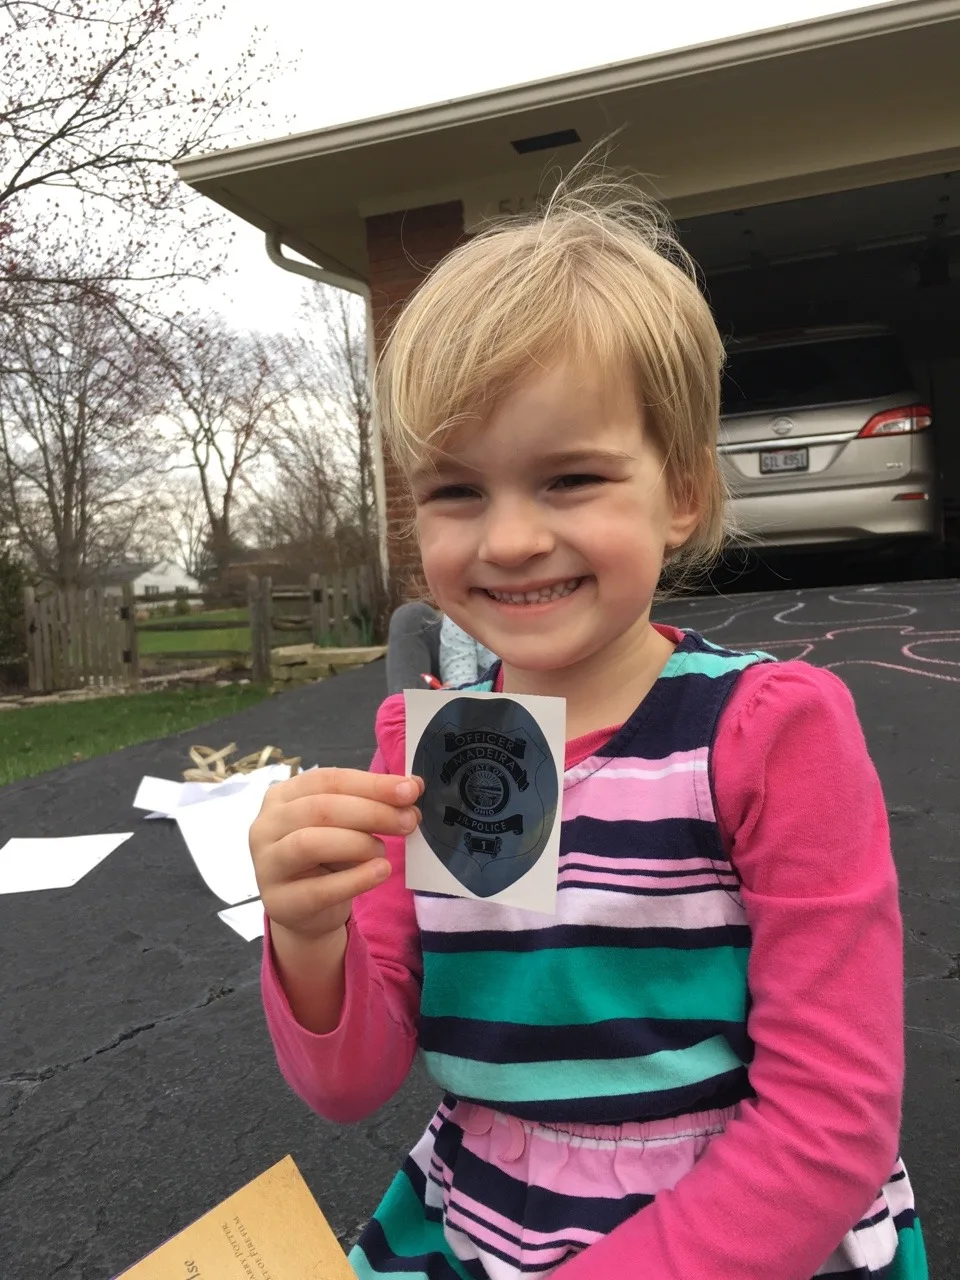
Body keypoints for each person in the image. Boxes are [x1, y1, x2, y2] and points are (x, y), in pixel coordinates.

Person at [249, 172, 926, 1280]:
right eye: (456, 491)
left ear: (683, 491)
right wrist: (307, 936)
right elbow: (353, 1083)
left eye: (569, 477)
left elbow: (832, 1118)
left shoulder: (765, 733)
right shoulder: (424, 750)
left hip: (739, 1229)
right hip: (486, 1217)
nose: (510, 539)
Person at [386, 601, 497, 693]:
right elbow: (460, 683)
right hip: (470, 696)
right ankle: (405, 714)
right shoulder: (463, 610)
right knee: (410, 616)